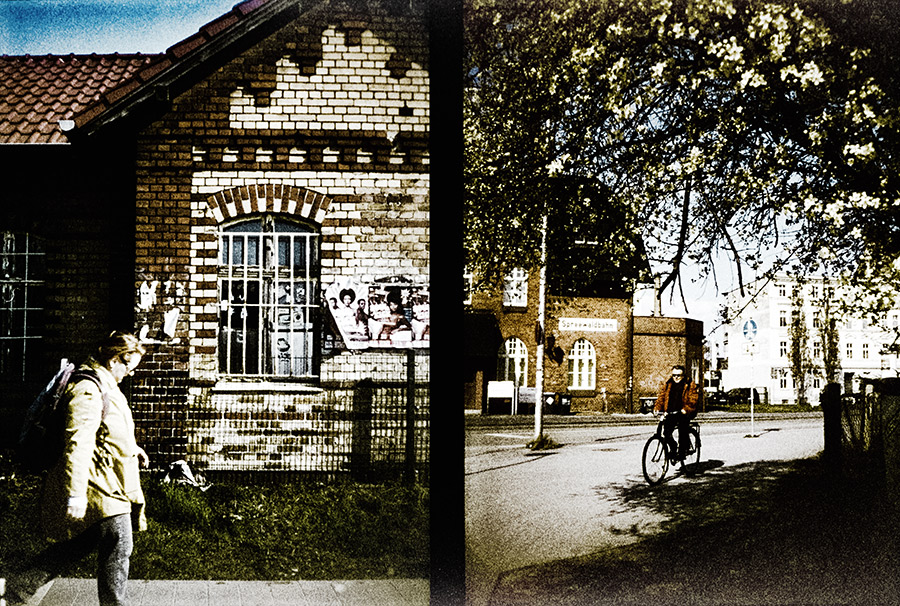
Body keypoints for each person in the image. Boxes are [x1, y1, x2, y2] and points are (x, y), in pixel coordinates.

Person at [5, 331, 148, 606]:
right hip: (97, 482)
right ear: (115, 359)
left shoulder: (105, 382)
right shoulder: (87, 388)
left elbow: (109, 426)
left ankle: (18, 587)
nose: (130, 373)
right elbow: (78, 442)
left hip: (108, 478)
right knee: (120, 542)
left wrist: (132, 447)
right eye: (129, 366)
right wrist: (75, 495)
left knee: (81, 544)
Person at [653, 364, 699, 460]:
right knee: (666, 433)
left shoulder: (689, 384)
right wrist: (657, 408)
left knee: (682, 429)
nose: (676, 377)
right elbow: (662, 397)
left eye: (678, 375)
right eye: (674, 375)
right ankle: (673, 447)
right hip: (671, 412)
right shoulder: (669, 384)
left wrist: (685, 409)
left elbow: (693, 398)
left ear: (683, 375)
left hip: (684, 412)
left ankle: (682, 452)